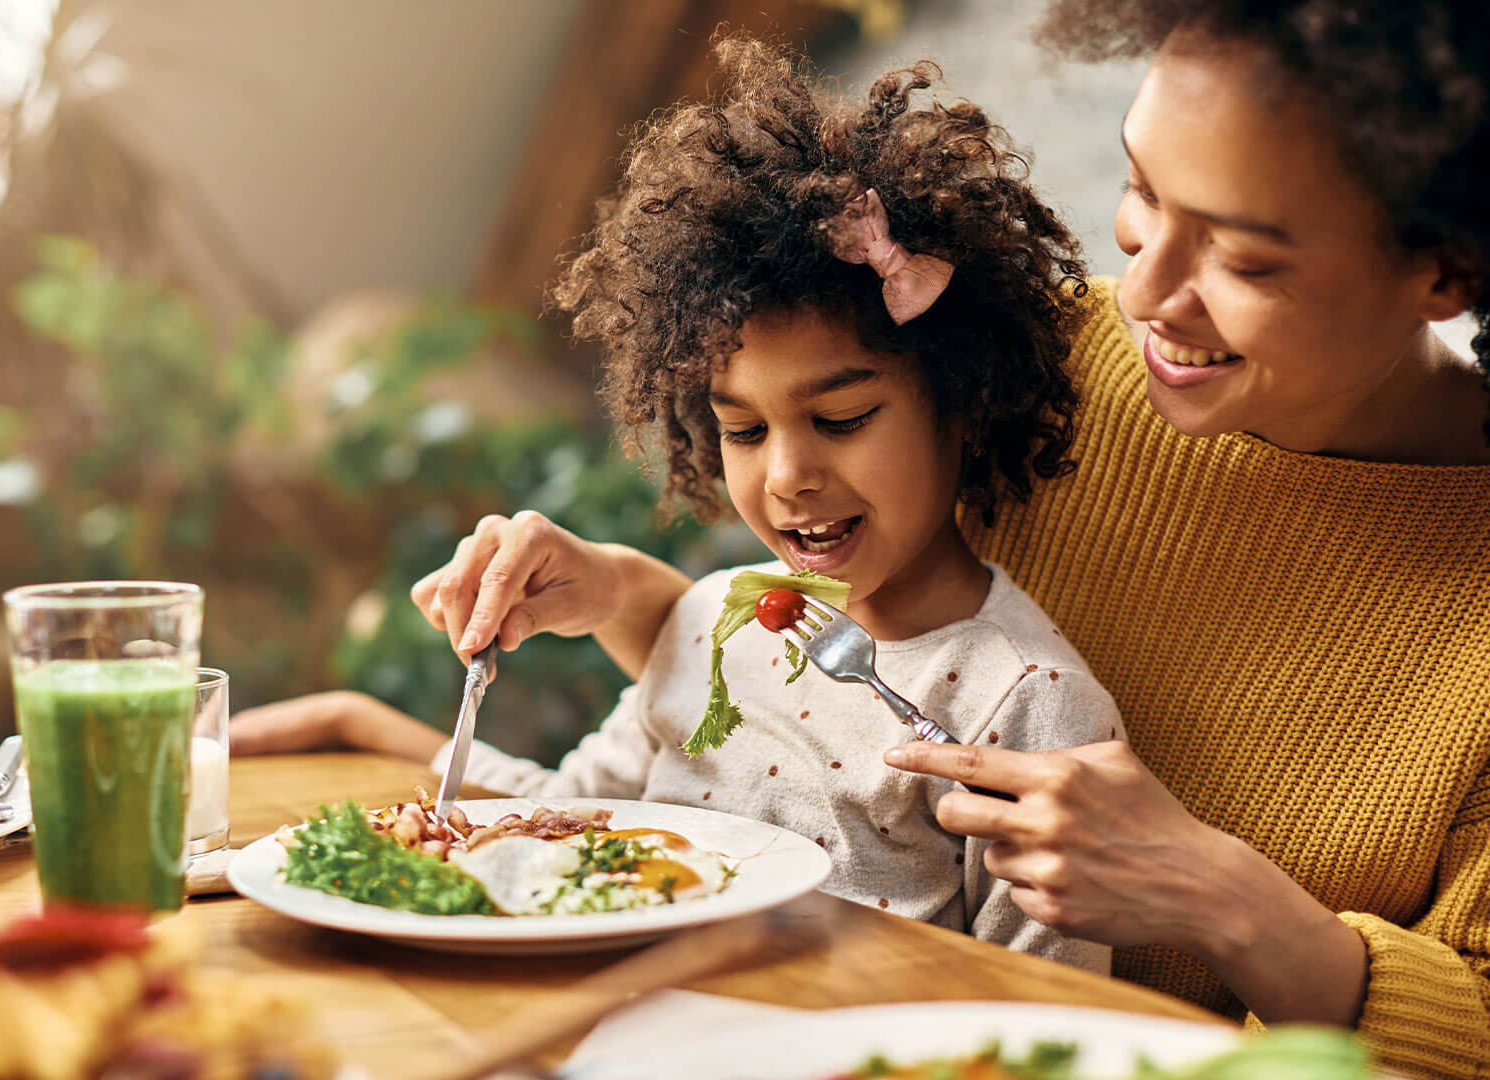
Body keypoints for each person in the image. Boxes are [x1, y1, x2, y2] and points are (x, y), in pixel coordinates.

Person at [367, 4, 1490, 1077]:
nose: (1142, 292)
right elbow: (816, 695)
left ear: (1444, 269)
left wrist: (1219, 897)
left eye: (1243, 261)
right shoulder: (1024, 359)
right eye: (1143, 193)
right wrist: (620, 595)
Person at [236, 35, 1129, 970]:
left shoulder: (1026, 705)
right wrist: (367, 732)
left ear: (966, 400)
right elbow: (565, 825)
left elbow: (1057, 1014)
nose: (786, 476)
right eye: (743, 431)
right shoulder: (717, 626)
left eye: (844, 417)